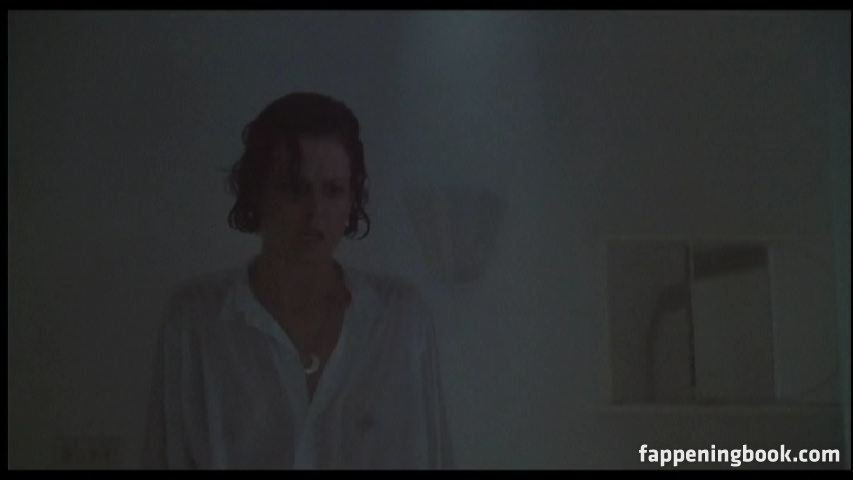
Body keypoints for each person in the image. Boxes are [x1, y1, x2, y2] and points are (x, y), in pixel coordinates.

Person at [142, 92, 454, 469]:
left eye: (333, 190)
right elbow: (167, 456)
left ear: (352, 198)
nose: (315, 211)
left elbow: (435, 457)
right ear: (258, 192)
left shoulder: (401, 320)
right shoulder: (196, 320)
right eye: (295, 189)